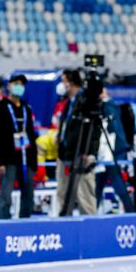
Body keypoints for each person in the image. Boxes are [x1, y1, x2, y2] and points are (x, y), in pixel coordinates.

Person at [0, 74, 39, 219]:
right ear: (9, 86)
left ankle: (25, 222)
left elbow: (31, 134)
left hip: (26, 157)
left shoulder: (26, 108)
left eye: (21, 84)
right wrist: (0, 161)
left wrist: (34, 161)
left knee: (28, 194)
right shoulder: (1, 109)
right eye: (16, 83)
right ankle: (4, 224)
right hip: (9, 159)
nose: (19, 87)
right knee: (6, 195)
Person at [54, 68, 95, 215]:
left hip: (80, 154)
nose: (61, 85)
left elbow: (93, 129)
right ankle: (65, 227)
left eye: (63, 81)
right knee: (63, 195)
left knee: (84, 196)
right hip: (65, 153)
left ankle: (90, 230)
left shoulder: (86, 101)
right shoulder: (68, 103)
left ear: (71, 83)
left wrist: (89, 152)